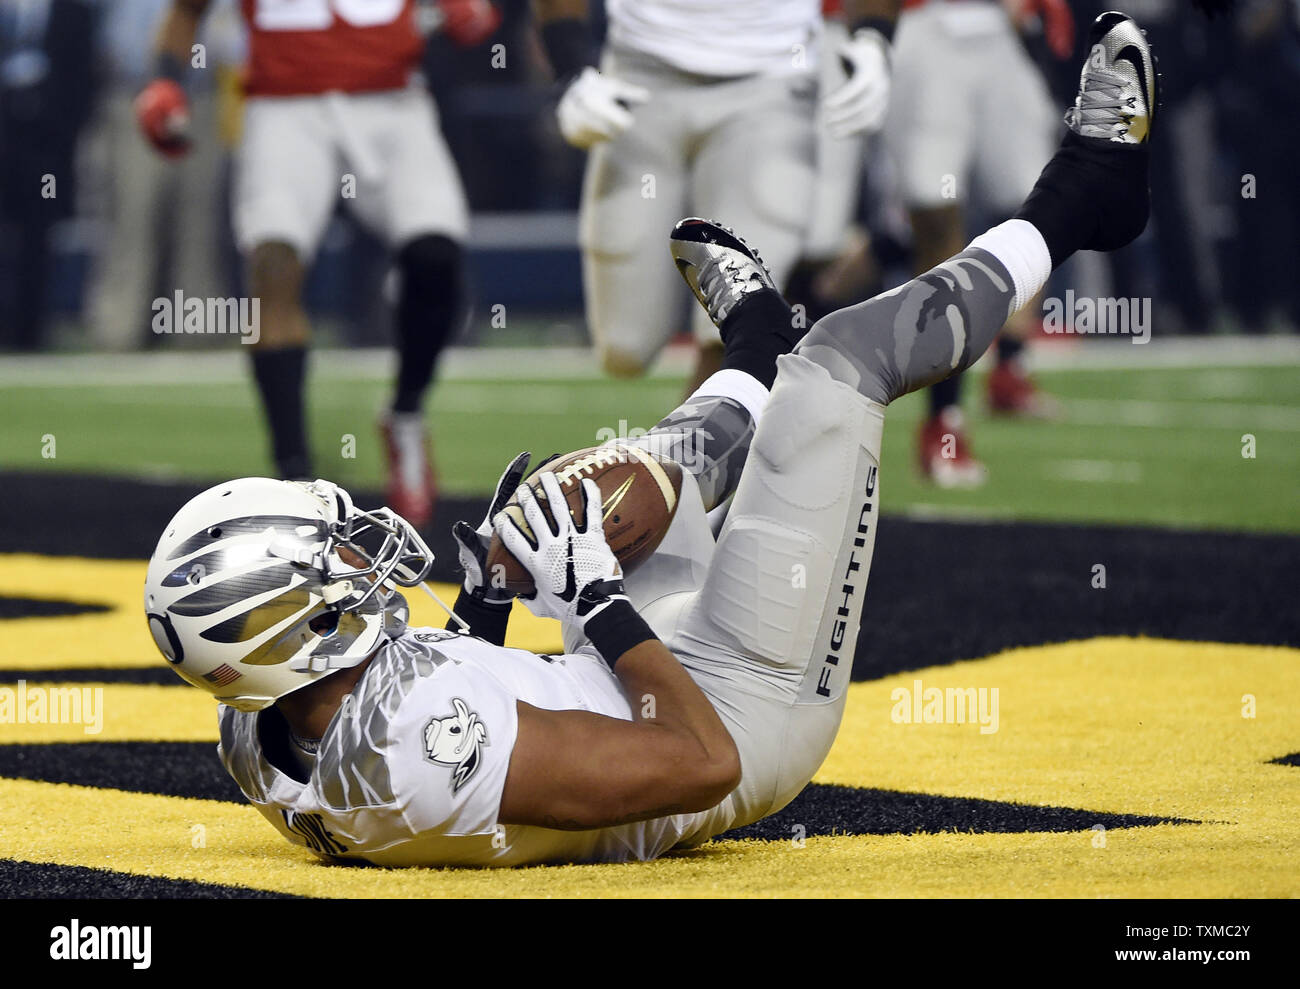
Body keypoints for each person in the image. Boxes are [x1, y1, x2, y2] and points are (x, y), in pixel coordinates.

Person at [143, 11, 1156, 866]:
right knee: (843, 361)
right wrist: (594, 604)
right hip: (736, 711)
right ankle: (1079, 196)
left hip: (615, 688)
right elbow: (696, 761)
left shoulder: (264, 718)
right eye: (334, 565)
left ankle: (749, 350)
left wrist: (495, 600)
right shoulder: (407, 755)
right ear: (291, 631)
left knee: (572, 502)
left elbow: (453, 690)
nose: (362, 557)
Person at [136, 0, 501, 527]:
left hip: (393, 100)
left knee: (436, 253)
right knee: (273, 265)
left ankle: (404, 414)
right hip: (285, 106)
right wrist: (165, 81)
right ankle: (294, 477)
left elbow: (470, 15)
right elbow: (187, 11)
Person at [534, 0, 898, 393]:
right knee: (624, 347)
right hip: (640, 74)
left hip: (772, 82)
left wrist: (875, 35)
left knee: (738, 323)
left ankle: (687, 451)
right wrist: (569, 67)